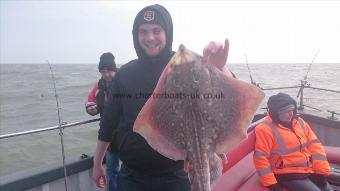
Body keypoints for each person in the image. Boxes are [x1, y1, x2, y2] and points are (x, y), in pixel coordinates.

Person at [92, 4, 233, 191]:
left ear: (167, 33)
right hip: (132, 175)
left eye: (156, 31)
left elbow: (228, 98)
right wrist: (97, 164)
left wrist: (219, 67)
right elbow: (108, 123)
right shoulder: (124, 74)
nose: (150, 37)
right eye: (144, 32)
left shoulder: (187, 65)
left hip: (175, 174)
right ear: (136, 36)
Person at [253, 92, 333, 191]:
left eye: (292, 110)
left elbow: (315, 146)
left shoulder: (300, 122)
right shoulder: (264, 129)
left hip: (307, 168)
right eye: (286, 111)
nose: (291, 114)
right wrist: (271, 183)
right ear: (276, 113)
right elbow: (261, 157)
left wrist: (321, 171)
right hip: (285, 173)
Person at [86, 52, 119, 191]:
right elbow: (90, 102)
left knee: (132, 169)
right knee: (112, 170)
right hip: (109, 138)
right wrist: (90, 109)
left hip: (127, 134)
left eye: (109, 71)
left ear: (115, 69)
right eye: (103, 71)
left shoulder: (124, 82)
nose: (106, 75)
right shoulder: (98, 87)